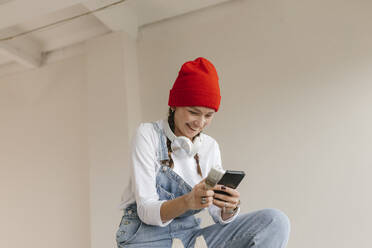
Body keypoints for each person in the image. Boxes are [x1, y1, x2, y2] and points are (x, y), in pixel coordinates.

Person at [116, 57, 290, 248]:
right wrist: (188, 201)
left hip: (188, 238)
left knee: (275, 221)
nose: (200, 123)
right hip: (145, 238)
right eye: (193, 112)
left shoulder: (209, 147)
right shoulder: (147, 134)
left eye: (208, 115)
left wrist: (228, 208)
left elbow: (217, 214)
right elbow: (146, 210)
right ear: (174, 105)